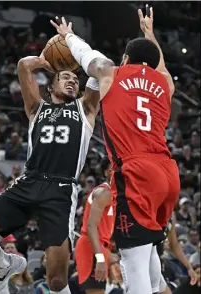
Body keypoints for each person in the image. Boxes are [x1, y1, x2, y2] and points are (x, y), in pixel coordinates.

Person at [50, 5, 180, 294]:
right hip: (168, 173)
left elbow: (86, 58)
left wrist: (69, 36)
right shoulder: (165, 83)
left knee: (133, 262)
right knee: (148, 251)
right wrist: (149, 33)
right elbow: (159, 65)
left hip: (137, 171)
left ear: (125, 58)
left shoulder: (110, 74)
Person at [0, 43, 101, 293]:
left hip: (60, 191)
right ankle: (3, 262)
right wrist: (50, 61)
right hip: (28, 183)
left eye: (75, 80)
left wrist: (69, 42)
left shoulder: (85, 108)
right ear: (50, 87)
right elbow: (24, 65)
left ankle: (8, 265)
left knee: (57, 281)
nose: (72, 81)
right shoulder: (37, 108)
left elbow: (100, 69)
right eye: (65, 78)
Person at [75, 156, 116, 293]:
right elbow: (91, 227)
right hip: (91, 247)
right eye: (113, 167)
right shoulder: (104, 192)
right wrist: (99, 257)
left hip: (100, 247)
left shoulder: (115, 195)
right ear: (106, 172)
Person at [157, 214, 197, 294]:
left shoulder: (170, 215)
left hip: (156, 262)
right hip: (140, 262)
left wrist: (189, 267)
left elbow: (174, 244)